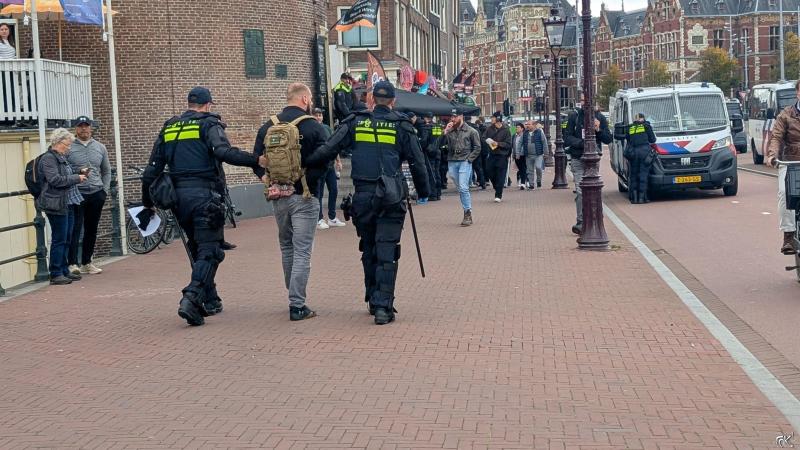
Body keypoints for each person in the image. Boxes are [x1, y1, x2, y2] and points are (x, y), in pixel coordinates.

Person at [303, 80, 430, 325]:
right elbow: (417, 162)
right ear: (393, 101)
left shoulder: (354, 122)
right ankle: (383, 307)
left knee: (369, 246)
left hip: (363, 196)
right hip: (391, 196)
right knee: (387, 250)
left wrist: (306, 166)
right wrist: (423, 192)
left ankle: (373, 298)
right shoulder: (401, 125)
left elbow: (329, 149)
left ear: (371, 100)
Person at [141, 87, 267, 326]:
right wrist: (255, 160)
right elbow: (223, 152)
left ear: (189, 104)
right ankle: (191, 297)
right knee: (211, 250)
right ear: (208, 105)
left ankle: (210, 299)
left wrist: (148, 204)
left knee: (197, 248)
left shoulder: (170, 127)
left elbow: (152, 170)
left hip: (178, 199)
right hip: (204, 196)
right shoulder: (209, 125)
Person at [253, 83, 331, 321]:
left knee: (287, 246)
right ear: (305, 99)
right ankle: (297, 305)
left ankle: (292, 294)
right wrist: (309, 183)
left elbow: (256, 159)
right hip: (305, 197)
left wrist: (266, 178)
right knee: (303, 251)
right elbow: (324, 160)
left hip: (278, 196)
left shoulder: (268, 126)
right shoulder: (314, 127)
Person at [38, 129, 87, 285]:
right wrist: (76, 178)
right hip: (56, 203)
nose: (69, 147)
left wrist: (78, 173)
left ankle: (64, 269)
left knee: (67, 237)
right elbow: (55, 180)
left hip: (67, 202)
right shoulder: (48, 159)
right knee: (59, 238)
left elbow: (65, 174)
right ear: (58, 143)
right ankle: (56, 272)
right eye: (67, 144)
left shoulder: (61, 157)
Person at [66, 116, 111, 275]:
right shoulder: (69, 147)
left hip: (96, 193)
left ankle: (87, 262)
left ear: (90, 128)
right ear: (76, 129)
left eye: (86, 126)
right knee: (75, 228)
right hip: (77, 193)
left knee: (92, 228)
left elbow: (106, 171)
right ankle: (72, 263)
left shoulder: (100, 147)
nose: (84, 129)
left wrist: (104, 190)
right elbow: (65, 170)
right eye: (80, 126)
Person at [564, 102, 613, 234]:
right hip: (577, 158)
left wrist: (598, 130)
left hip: (593, 160)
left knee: (594, 189)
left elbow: (608, 139)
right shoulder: (574, 117)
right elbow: (567, 137)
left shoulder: (600, 118)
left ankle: (596, 218)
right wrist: (581, 143)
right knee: (581, 191)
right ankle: (581, 222)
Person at [766, 79, 800, 254]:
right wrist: (772, 156)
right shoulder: (785, 115)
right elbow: (776, 137)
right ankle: (788, 236)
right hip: (792, 163)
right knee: (784, 194)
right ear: (798, 93)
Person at [444, 109, 482, 225]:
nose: (453, 119)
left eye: (455, 117)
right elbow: (440, 144)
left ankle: (467, 212)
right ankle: (467, 209)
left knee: (464, 187)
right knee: (460, 187)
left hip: (464, 160)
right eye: (451, 117)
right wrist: (445, 132)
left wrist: (469, 159)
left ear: (461, 116)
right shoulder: (450, 131)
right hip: (452, 160)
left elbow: (477, 147)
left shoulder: (471, 131)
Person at [313, 107, 345, 229]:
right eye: (316, 115)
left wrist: (338, 161)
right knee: (319, 193)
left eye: (320, 115)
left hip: (330, 165)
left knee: (334, 190)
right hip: (319, 166)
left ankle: (332, 218)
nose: (318, 117)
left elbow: (333, 144)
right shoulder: (311, 129)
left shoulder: (327, 128)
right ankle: (319, 219)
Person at [624, 113, 657, 204]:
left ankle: (634, 198)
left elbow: (628, 139)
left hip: (633, 153)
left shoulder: (630, 127)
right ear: (643, 118)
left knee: (633, 175)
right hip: (644, 153)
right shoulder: (646, 126)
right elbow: (652, 140)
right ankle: (642, 198)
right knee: (643, 175)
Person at [482, 112, 513, 202]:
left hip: (502, 156)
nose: (491, 119)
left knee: (501, 175)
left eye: (493, 117)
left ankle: (498, 194)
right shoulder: (489, 129)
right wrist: (488, 141)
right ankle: (497, 187)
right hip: (491, 155)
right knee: (489, 171)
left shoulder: (506, 130)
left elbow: (508, 144)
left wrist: (498, 144)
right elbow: (483, 138)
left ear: (498, 119)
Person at [523, 120, 548, 190]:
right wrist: (518, 153)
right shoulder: (525, 133)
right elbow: (520, 143)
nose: (527, 125)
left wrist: (546, 153)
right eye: (527, 124)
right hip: (528, 155)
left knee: (538, 167)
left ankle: (539, 181)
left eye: (529, 124)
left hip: (538, 154)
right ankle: (531, 185)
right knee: (529, 170)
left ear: (534, 125)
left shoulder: (539, 132)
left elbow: (544, 142)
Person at [468, 116, 488, 189]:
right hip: (477, 151)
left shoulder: (466, 129)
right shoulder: (476, 129)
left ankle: (471, 182)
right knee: (478, 168)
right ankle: (482, 183)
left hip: (469, 151)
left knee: (469, 168)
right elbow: (481, 141)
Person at [512, 123, 528, 189]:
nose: (516, 128)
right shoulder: (514, 136)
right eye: (516, 127)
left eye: (518, 127)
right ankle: (524, 180)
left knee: (523, 168)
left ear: (522, 129)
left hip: (523, 155)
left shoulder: (524, 135)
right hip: (516, 155)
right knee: (521, 169)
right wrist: (513, 155)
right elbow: (513, 145)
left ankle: (523, 183)